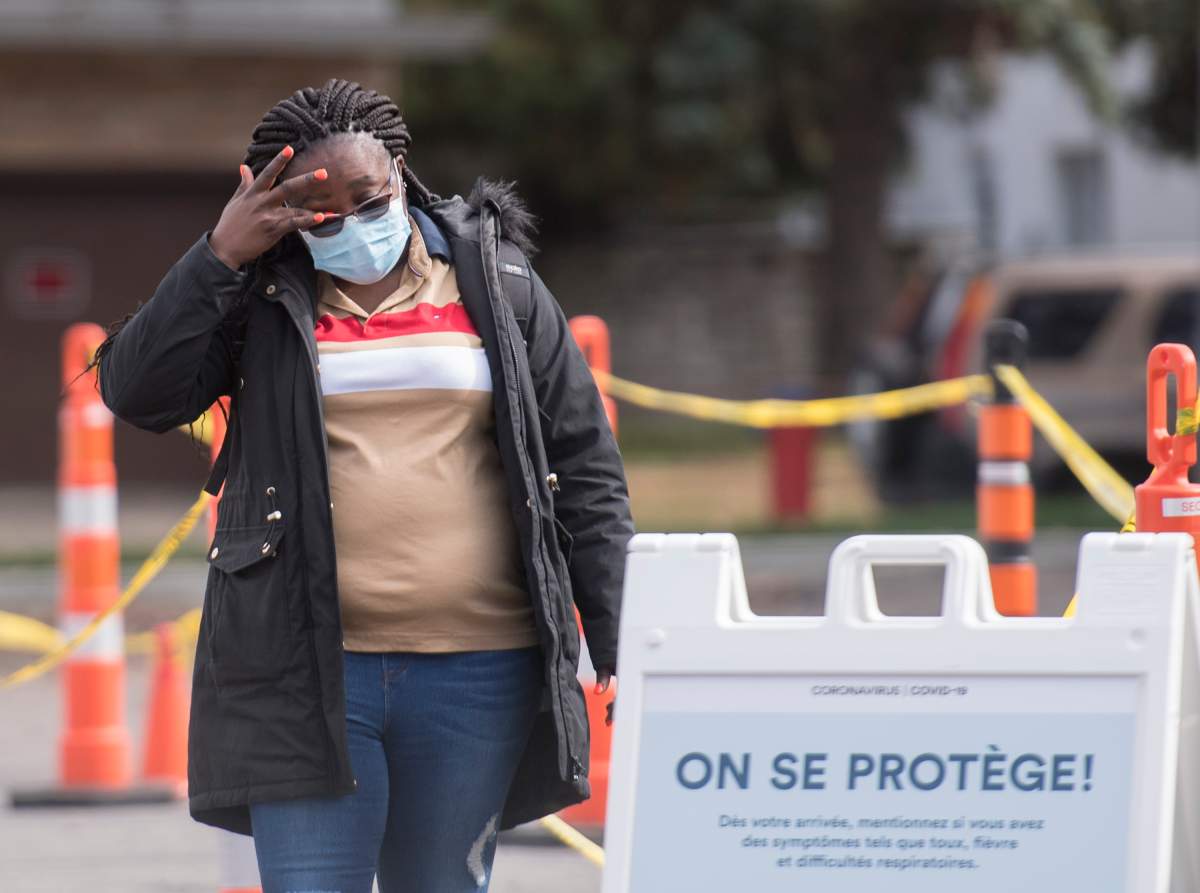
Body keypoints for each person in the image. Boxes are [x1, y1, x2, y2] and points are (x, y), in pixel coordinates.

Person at [92, 78, 633, 893]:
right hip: (304, 668)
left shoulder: (497, 281)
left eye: (365, 196)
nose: (349, 222)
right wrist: (220, 253)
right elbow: (138, 393)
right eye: (321, 210)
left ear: (400, 170)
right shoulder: (261, 297)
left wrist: (623, 640)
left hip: (477, 669)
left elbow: (585, 468)